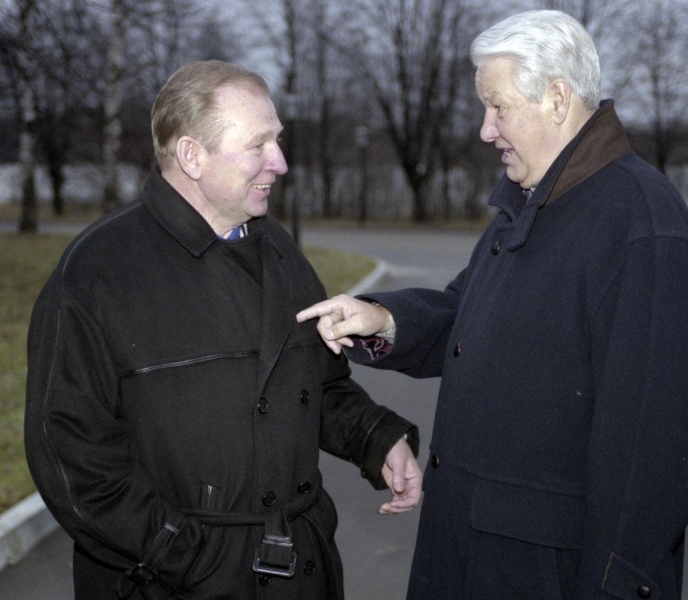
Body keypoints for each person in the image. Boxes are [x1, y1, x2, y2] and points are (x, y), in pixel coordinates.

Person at [297, 10, 688, 600]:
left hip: (545, 573)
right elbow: (467, 316)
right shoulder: (531, 202)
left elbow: (653, 453)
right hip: (473, 555)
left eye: (498, 107)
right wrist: (383, 319)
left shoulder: (641, 225)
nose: (485, 130)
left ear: (557, 99)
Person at [24, 59, 422, 600]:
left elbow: (319, 384)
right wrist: (187, 557)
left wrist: (377, 438)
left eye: (277, 141)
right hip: (169, 583)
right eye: (258, 145)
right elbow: (71, 457)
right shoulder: (96, 273)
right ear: (192, 156)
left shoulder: (279, 251)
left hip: (301, 575)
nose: (280, 162)